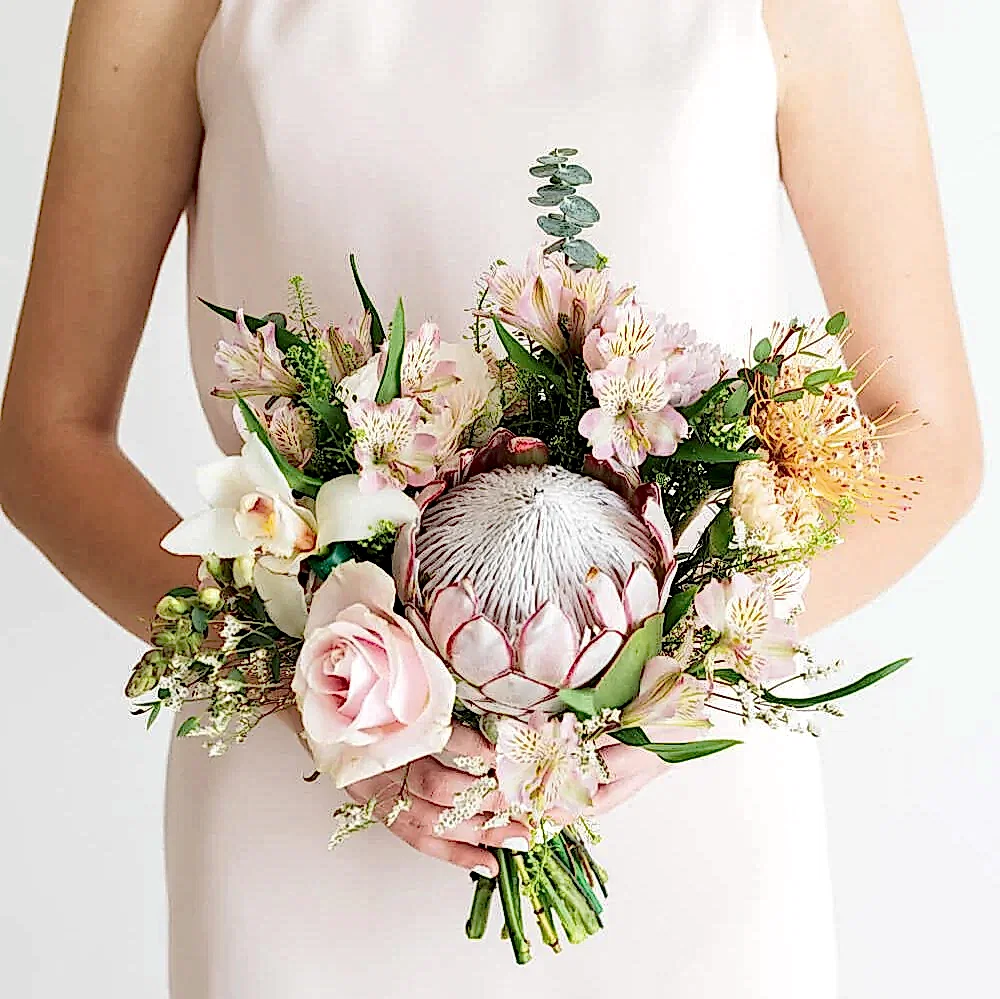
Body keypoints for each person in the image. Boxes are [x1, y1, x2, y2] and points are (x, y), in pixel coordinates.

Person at [0, 1, 982, 996]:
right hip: (310, 799)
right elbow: (48, 437)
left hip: (679, 801)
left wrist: (686, 670)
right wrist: (318, 694)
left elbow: (926, 432)